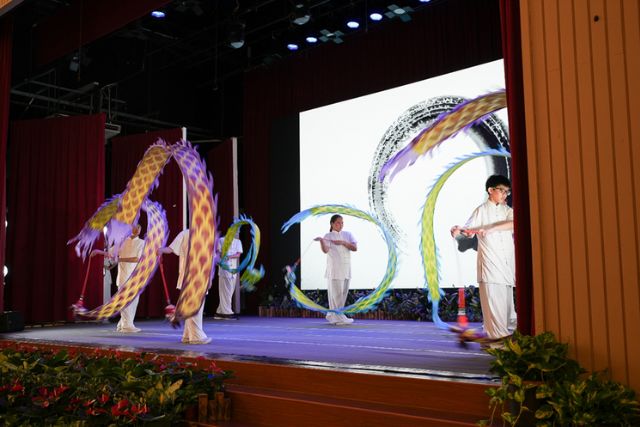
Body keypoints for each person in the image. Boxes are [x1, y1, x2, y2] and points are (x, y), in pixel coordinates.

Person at [450, 174, 517, 340]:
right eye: (501, 191)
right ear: (490, 190)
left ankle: (504, 343)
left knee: (508, 312)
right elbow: (468, 232)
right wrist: (458, 231)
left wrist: (490, 228)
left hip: (507, 268)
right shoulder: (481, 210)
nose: (505, 195)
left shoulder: (508, 211)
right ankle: (498, 343)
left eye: (507, 192)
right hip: (490, 267)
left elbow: (512, 223)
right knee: (495, 312)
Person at [159, 229, 212, 344]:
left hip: (199, 276)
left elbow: (209, 258)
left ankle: (187, 335)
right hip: (191, 276)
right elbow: (170, 249)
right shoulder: (186, 233)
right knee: (195, 307)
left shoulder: (205, 234)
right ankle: (197, 337)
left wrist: (209, 278)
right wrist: (159, 250)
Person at [92, 224, 144, 333]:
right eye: (135, 227)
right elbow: (110, 253)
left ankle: (123, 324)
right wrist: (98, 252)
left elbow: (137, 259)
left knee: (133, 301)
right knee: (125, 301)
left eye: (139, 228)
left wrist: (120, 259)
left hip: (135, 277)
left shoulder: (142, 243)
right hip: (123, 277)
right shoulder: (123, 242)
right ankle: (127, 326)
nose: (137, 230)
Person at [314, 214, 357, 325]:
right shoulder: (328, 235)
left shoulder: (348, 234)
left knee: (343, 294)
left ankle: (334, 316)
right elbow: (326, 250)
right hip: (335, 269)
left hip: (346, 269)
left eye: (342, 222)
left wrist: (343, 242)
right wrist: (321, 241)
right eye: (338, 222)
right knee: (336, 295)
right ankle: (339, 317)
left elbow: (354, 248)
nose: (340, 225)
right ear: (332, 224)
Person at [214, 233, 243, 320]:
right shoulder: (221, 240)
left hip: (233, 269)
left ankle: (220, 312)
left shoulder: (237, 242)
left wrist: (229, 256)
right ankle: (227, 312)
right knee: (225, 291)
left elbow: (238, 254)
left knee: (229, 291)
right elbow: (218, 252)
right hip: (224, 269)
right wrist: (221, 259)